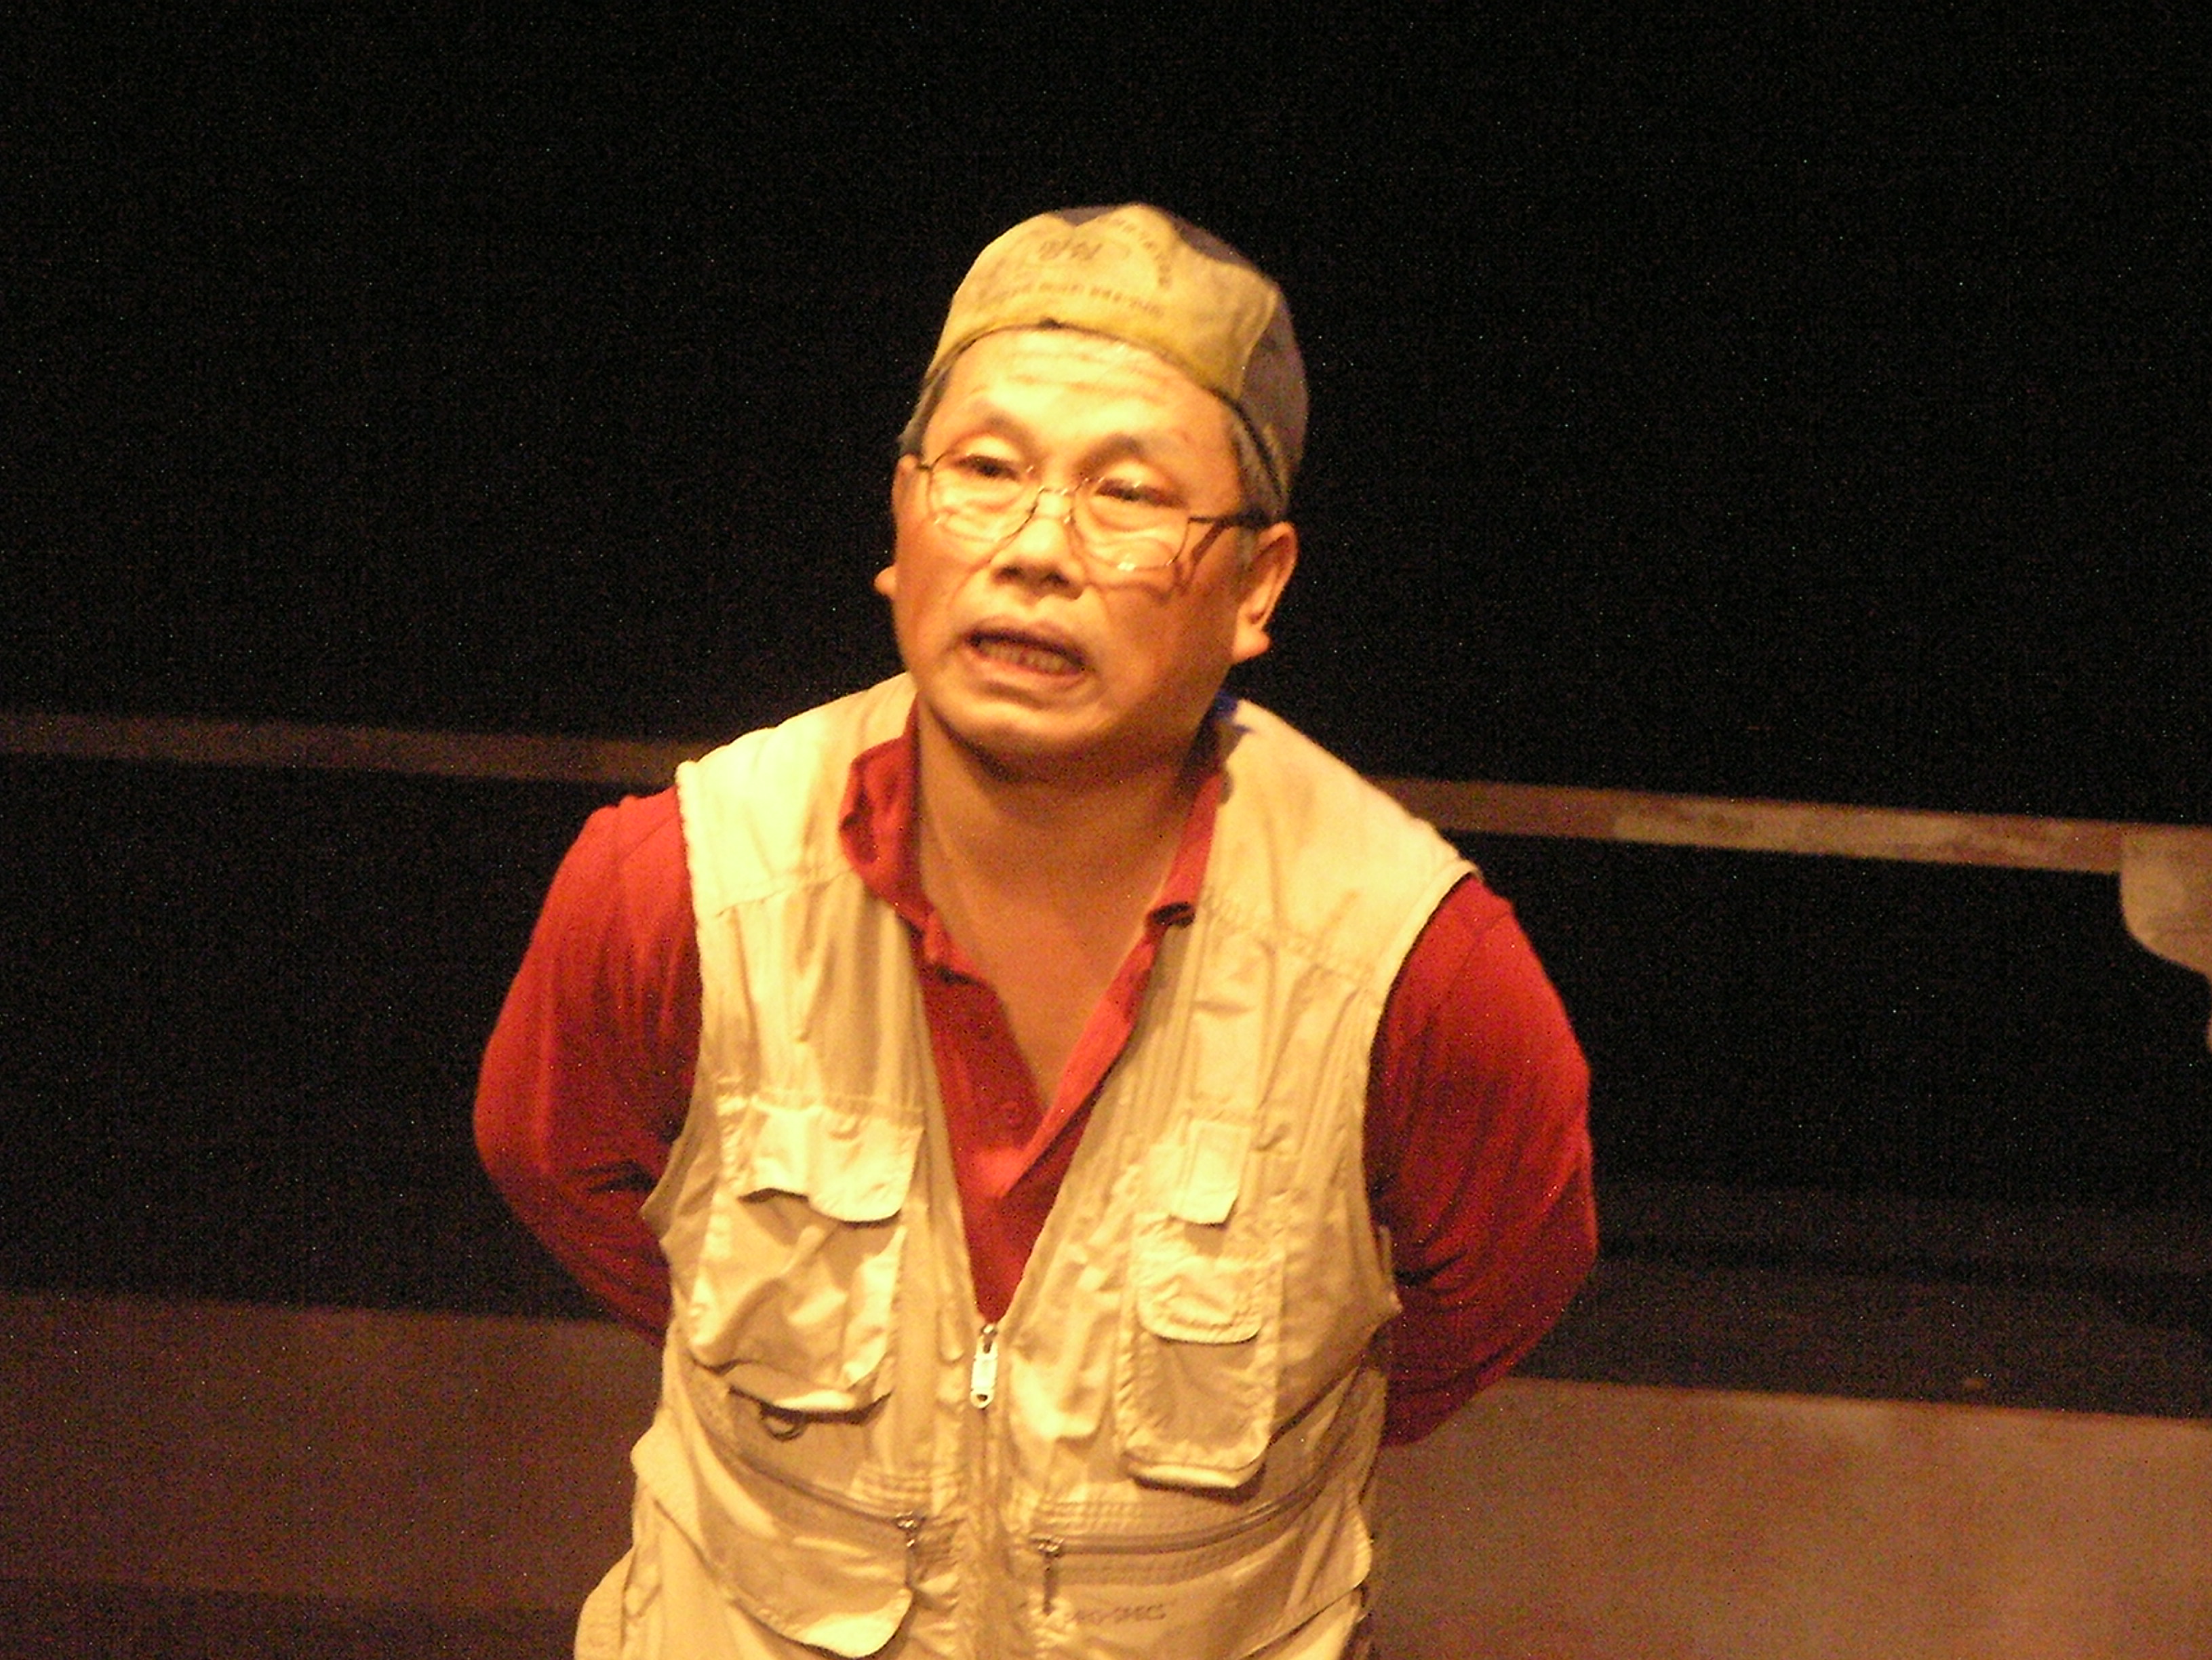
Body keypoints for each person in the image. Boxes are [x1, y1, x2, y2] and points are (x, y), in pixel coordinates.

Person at [477, 203, 1596, 1660]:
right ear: (900, 521)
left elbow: (1487, 1298)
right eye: (986, 472)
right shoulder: (679, 888)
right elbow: (557, 1165)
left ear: (1256, 584)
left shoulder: (1409, 966)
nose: (1037, 550)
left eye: (1127, 494)